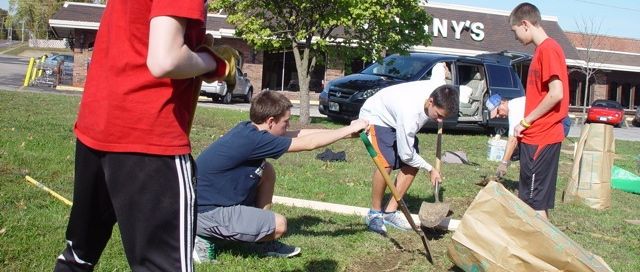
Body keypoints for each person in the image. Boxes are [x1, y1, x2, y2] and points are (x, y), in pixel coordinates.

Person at [53, 0, 240, 270]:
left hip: (97, 127)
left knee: (78, 256)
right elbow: (165, 60)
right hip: (148, 139)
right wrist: (216, 64)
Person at [193, 91, 368, 262]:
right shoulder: (255, 140)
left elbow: (298, 135)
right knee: (279, 225)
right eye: (285, 122)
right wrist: (350, 128)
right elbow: (309, 143)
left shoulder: (249, 129)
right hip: (204, 212)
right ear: (271, 122)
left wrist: (345, 133)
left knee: (266, 170)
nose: (288, 127)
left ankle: (261, 238)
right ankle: (200, 237)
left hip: (212, 202)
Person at [359, 82, 459, 234]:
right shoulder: (410, 113)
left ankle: (390, 213)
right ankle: (374, 214)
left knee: (413, 164)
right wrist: (430, 168)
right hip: (376, 116)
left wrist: (443, 67)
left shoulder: (438, 87)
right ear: (430, 101)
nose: (440, 121)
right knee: (385, 164)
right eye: (438, 115)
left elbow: (438, 69)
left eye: (443, 118)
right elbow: (406, 155)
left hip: (395, 120)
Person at [509, 2, 570, 220]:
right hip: (535, 137)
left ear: (525, 24)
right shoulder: (540, 51)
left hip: (542, 137)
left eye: (515, 31)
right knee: (532, 202)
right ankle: (538, 251)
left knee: (534, 206)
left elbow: (556, 93)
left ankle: (541, 253)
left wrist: (525, 122)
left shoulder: (549, 49)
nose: (515, 37)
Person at [489, 94, 572, 178]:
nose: (498, 115)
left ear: (503, 103)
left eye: (498, 111)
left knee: (537, 160)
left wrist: (504, 163)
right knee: (525, 152)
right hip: (551, 123)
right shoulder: (514, 106)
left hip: (558, 122)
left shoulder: (515, 108)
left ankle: (533, 184)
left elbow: (512, 140)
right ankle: (529, 183)